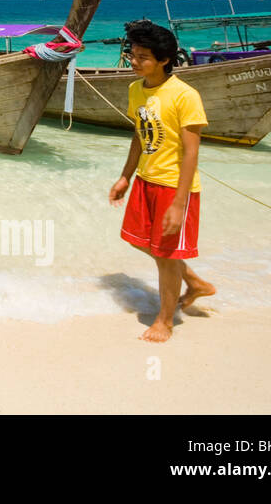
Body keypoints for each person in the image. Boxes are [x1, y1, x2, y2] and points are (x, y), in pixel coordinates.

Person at [108, 21, 215, 343]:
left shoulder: (185, 95)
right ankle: (194, 283)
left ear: (164, 59)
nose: (134, 61)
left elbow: (191, 153)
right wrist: (125, 176)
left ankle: (165, 321)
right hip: (145, 180)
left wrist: (180, 202)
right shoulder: (136, 89)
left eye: (143, 57)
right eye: (132, 54)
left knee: (166, 256)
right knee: (137, 239)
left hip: (174, 186)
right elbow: (139, 136)